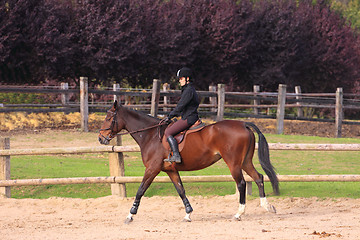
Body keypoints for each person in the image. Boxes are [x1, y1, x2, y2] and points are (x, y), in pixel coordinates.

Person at [163, 67, 200, 163]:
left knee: (168, 132)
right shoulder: (188, 89)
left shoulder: (188, 91)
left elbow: (180, 106)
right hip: (189, 116)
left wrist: (170, 116)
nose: (179, 81)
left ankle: (176, 155)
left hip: (189, 118)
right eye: (179, 79)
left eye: (181, 78)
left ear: (187, 79)